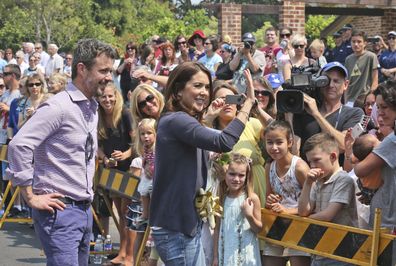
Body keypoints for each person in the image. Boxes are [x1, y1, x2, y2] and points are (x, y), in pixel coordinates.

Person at [6, 38, 116, 266]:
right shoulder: (59, 107)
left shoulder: (90, 106)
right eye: (103, 70)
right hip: (61, 212)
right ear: (82, 69)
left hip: (83, 210)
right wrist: (30, 196)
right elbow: (19, 145)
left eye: (110, 70)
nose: (109, 76)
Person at [150, 62, 256, 265]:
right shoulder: (177, 120)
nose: (204, 92)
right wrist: (248, 104)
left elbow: (194, 140)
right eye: (197, 86)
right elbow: (224, 142)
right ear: (178, 90)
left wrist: (207, 119)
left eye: (207, 87)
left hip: (186, 225)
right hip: (176, 228)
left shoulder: (179, 121)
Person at [298, 133, 358, 266]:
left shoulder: (343, 180)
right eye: (310, 162)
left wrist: (301, 222)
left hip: (342, 252)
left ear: (333, 156)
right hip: (320, 249)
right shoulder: (316, 182)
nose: (312, 166)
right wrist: (307, 184)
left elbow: (327, 215)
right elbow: (303, 211)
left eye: (316, 160)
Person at [263, 120, 311, 266]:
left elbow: (314, 202)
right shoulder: (269, 166)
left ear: (290, 142)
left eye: (279, 142)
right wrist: (271, 201)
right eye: (269, 142)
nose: (274, 147)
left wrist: (288, 211)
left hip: (300, 226)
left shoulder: (300, 168)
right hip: (277, 226)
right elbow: (268, 199)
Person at [96, 82, 134, 265]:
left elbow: (138, 143)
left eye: (110, 96)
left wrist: (125, 154)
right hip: (112, 170)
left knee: (126, 213)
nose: (107, 99)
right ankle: (123, 251)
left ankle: (128, 254)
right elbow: (97, 146)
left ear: (116, 96)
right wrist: (104, 159)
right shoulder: (99, 116)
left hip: (128, 169)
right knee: (119, 212)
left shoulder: (125, 114)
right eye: (103, 96)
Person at [293, 62, 364, 157]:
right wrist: (290, 114)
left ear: (346, 85)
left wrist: (316, 114)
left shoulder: (355, 113)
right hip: (308, 170)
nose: (330, 85)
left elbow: (344, 146)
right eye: (326, 80)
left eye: (336, 81)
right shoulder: (305, 112)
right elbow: (293, 152)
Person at [354, 80, 396, 232]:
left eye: (384, 107)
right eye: (378, 107)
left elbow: (360, 170)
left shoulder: (392, 140)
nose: (380, 112)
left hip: (387, 222)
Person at [213, 153, 262, 266]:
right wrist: (215, 256)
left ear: (247, 176)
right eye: (232, 174)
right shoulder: (221, 198)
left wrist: (249, 216)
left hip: (246, 255)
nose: (236, 179)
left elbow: (258, 229)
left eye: (241, 175)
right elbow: (217, 228)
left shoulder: (251, 198)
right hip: (226, 254)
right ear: (224, 173)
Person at [344, 30, 379, 108]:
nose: (356, 44)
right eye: (353, 41)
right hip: (350, 100)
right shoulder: (348, 59)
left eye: (359, 42)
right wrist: (345, 99)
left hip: (364, 100)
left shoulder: (371, 56)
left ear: (365, 43)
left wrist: (371, 98)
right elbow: (346, 81)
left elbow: (375, 80)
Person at [132, 118, 156, 225]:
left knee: (149, 189)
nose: (145, 136)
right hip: (149, 173)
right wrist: (145, 167)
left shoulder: (157, 147)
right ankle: (145, 213)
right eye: (142, 134)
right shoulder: (146, 147)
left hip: (156, 175)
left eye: (149, 133)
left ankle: (150, 213)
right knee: (142, 188)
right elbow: (145, 159)